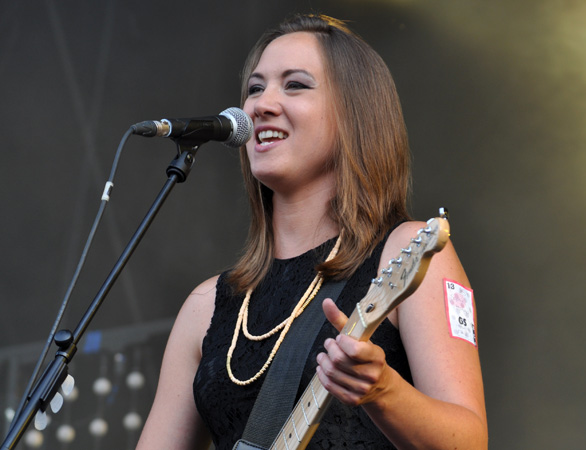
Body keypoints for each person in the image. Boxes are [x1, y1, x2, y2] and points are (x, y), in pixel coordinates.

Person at [136, 13, 487, 450]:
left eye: (295, 84)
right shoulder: (206, 306)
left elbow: (470, 441)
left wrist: (384, 392)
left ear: (355, 114)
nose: (261, 104)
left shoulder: (409, 254)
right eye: (255, 88)